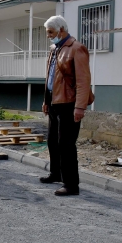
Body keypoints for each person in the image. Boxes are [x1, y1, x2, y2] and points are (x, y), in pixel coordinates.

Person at [40, 15, 94, 196]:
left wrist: (80, 107)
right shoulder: (55, 48)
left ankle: (71, 184)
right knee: (52, 141)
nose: (48, 35)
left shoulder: (76, 48)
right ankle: (56, 173)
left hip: (69, 104)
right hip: (55, 102)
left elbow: (83, 81)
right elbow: (50, 78)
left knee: (66, 145)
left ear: (61, 29)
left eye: (51, 32)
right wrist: (46, 101)